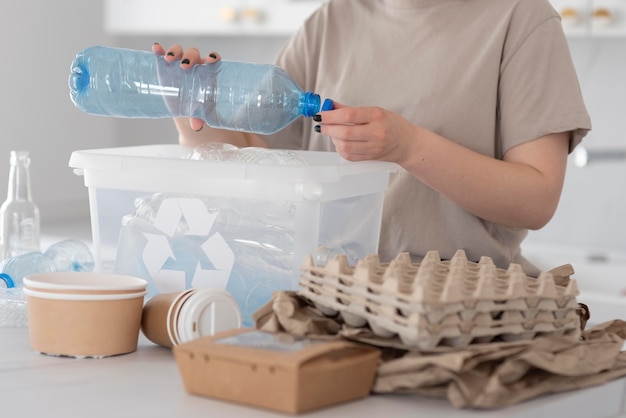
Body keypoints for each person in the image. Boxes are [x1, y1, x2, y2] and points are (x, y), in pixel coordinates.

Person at [152, 0, 590, 276]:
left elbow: (537, 198)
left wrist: (410, 146)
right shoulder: (330, 21)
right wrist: (196, 116)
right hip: (328, 294)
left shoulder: (522, 18)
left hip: (461, 305)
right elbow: (258, 165)